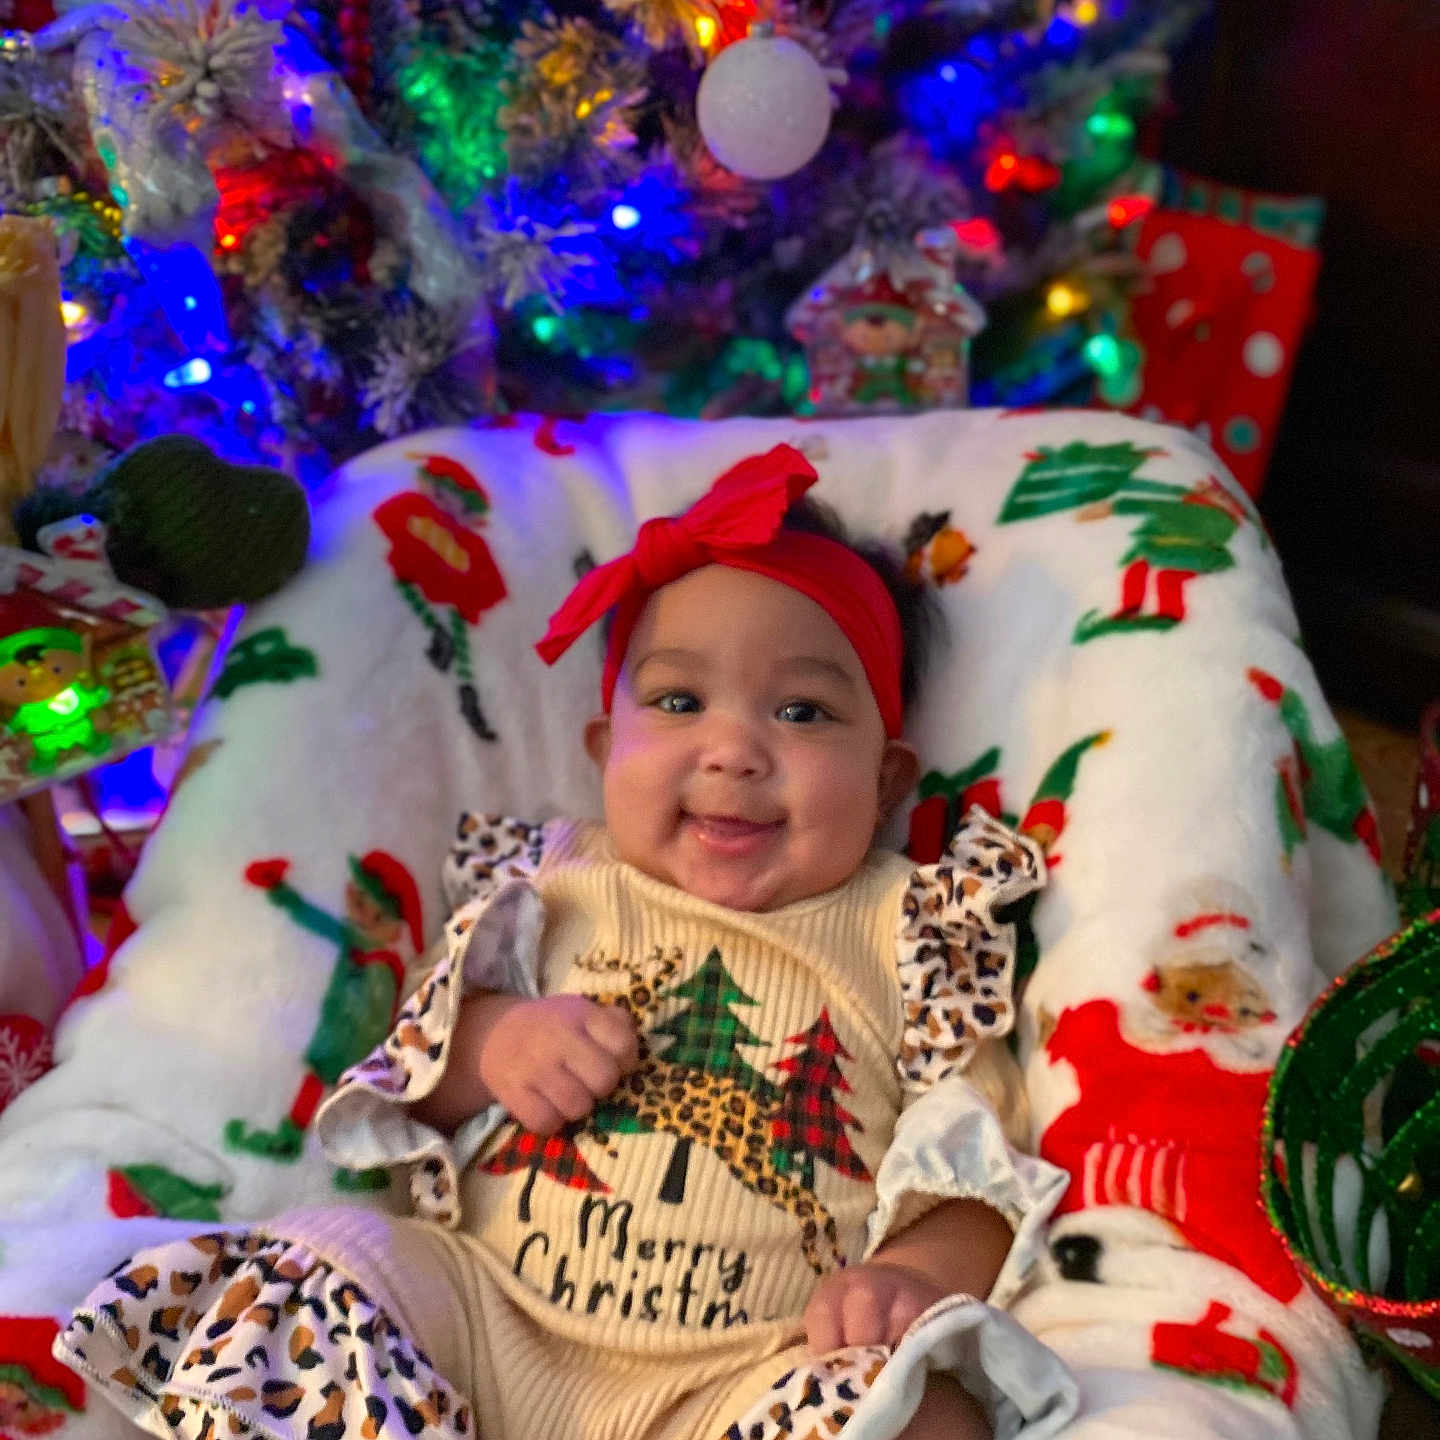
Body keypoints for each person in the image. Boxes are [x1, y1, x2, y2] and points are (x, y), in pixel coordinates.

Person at [54, 445, 1076, 1440]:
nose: (731, 750)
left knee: (923, 1410)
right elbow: (411, 1066)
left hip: (746, 1376)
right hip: (482, 1318)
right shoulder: (549, 886)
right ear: (604, 752)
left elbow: (973, 1167)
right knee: (315, 1263)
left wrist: (911, 1279)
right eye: (678, 702)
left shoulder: (912, 931)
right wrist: (495, 1044)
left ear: (889, 781)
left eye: (802, 711)